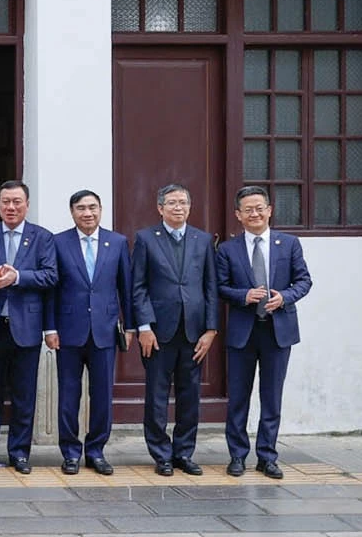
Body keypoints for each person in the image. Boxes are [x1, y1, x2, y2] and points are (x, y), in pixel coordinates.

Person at [216, 185, 312, 480]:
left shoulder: (289, 244)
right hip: (243, 332)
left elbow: (304, 281)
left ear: (269, 210)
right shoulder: (227, 249)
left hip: (278, 331)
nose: (254, 213)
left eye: (260, 208)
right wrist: (243, 295)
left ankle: (267, 456)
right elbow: (219, 287)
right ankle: (237, 455)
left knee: (272, 397)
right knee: (238, 397)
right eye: (248, 209)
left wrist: (285, 296)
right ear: (238, 215)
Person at [131, 182, 219, 477]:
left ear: (189, 207)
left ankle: (184, 452)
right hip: (158, 332)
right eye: (172, 203)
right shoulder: (145, 238)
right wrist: (144, 326)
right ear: (160, 208)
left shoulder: (203, 240)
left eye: (183, 202)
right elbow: (139, 286)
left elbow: (211, 287)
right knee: (156, 395)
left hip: (194, 332)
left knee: (189, 395)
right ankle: (161, 454)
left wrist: (211, 329)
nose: (178, 207)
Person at [0, 179, 58, 474]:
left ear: (27, 205)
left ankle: (19, 453)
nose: (11, 207)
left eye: (16, 202)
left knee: (24, 395)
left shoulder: (42, 237)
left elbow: (50, 276)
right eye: (5, 202)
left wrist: (18, 277)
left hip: (27, 328)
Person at [45, 189, 132, 475]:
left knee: (103, 395)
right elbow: (51, 290)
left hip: (105, 331)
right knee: (68, 395)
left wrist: (129, 325)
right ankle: (70, 452)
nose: (87, 213)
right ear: (72, 212)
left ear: (101, 209)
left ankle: (96, 451)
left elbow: (126, 288)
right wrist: (50, 327)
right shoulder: (58, 242)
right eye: (81, 208)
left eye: (92, 207)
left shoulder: (117, 242)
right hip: (68, 331)